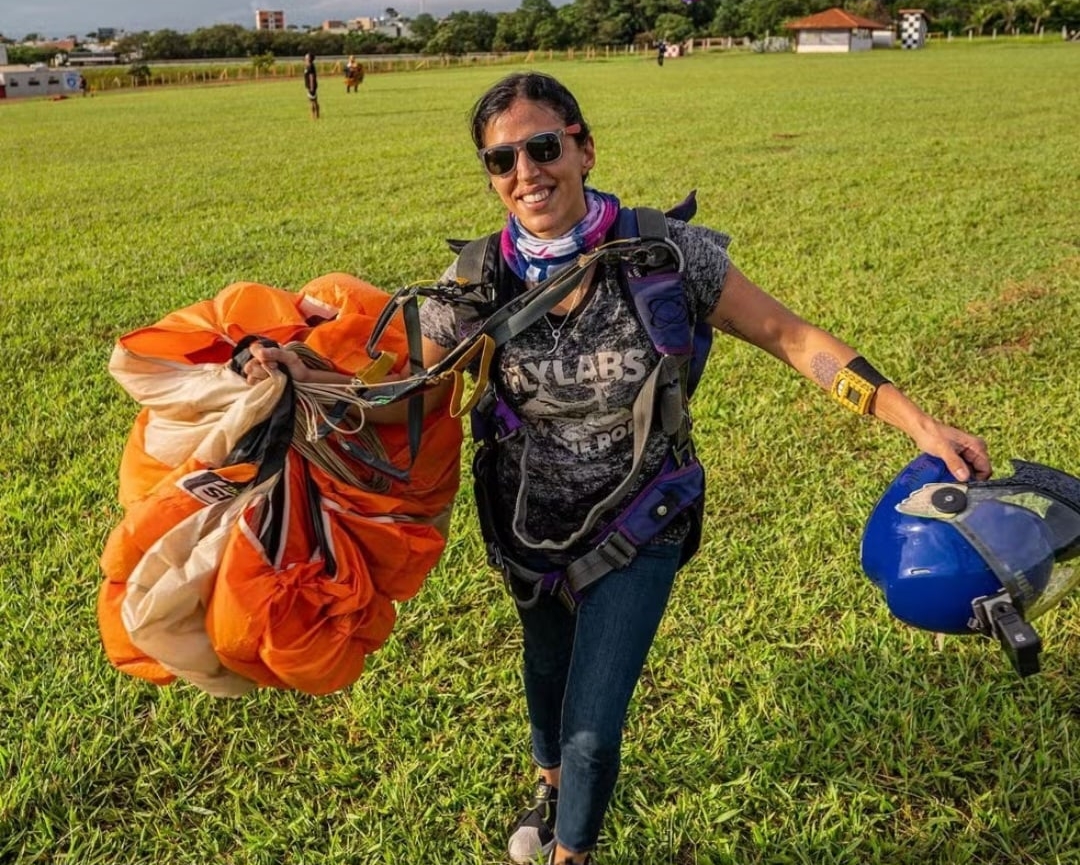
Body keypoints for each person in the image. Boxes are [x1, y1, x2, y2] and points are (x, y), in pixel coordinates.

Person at [244, 71, 992, 865]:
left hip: (644, 520)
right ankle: (548, 783)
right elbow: (402, 400)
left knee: (594, 722)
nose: (526, 173)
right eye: (502, 161)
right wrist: (299, 379)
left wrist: (919, 422)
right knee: (545, 670)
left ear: (583, 147)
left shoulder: (668, 255)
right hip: (527, 524)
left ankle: (575, 848)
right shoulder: (473, 282)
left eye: (542, 148)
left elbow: (790, 336)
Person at [303, 53, 319, 120]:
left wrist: (311, 87)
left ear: (310, 58)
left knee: (312, 101)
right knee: (314, 101)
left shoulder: (310, 66)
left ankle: (313, 116)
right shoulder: (308, 66)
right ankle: (317, 115)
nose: (305, 58)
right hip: (309, 85)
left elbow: (311, 76)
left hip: (311, 86)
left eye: (306, 57)